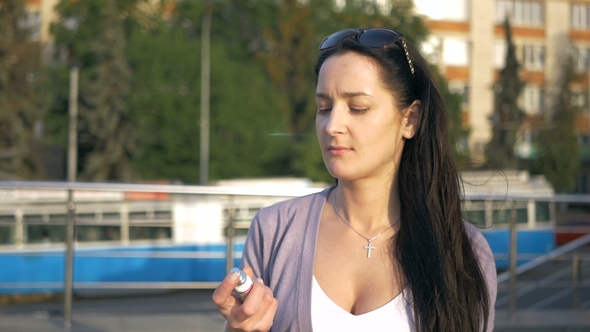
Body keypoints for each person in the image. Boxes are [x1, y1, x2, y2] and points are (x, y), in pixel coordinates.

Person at [213, 28, 497, 332]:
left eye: (358, 107)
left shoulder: (463, 251)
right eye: (324, 108)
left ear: (410, 119)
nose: (332, 125)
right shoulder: (276, 230)